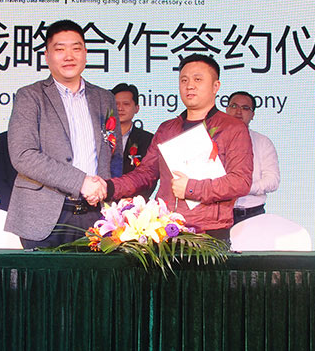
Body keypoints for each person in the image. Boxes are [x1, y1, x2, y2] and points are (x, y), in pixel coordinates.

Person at [103, 54, 253, 240]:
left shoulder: (232, 128)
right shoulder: (167, 129)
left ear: (216, 86)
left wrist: (191, 188)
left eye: (198, 79)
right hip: (164, 229)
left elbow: (240, 181)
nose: (189, 85)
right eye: (184, 80)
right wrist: (109, 187)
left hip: (208, 233)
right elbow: (145, 174)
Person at [3, 20, 119, 249]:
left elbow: (114, 154)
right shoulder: (29, 96)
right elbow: (23, 155)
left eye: (76, 48)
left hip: (96, 215)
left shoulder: (104, 98)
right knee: (44, 274)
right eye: (60, 49)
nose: (69, 56)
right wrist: (80, 182)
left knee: (94, 274)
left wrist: (108, 191)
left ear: (85, 53)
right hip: (44, 215)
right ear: (47, 56)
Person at [226, 91, 280, 224]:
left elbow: (272, 180)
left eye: (245, 108)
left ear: (253, 115)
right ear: (226, 110)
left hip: (252, 214)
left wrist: (245, 188)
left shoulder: (262, 142)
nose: (238, 112)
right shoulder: (213, 139)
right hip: (218, 214)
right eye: (234, 106)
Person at [110, 83, 155, 198]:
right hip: (100, 200)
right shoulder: (100, 137)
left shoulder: (148, 140)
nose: (120, 108)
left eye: (126, 104)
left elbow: (149, 177)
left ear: (136, 108)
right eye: (116, 104)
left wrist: (132, 204)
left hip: (133, 203)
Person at [0, 131, 16, 211]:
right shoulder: (3, 139)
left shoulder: (46, 138)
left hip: (44, 207)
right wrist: (14, 204)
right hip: (10, 207)